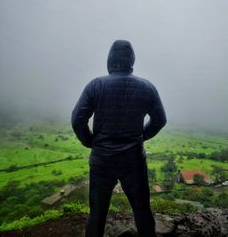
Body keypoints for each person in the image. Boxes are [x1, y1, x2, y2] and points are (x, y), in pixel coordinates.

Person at [71, 40, 167, 237]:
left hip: (101, 160)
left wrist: (90, 141)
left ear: (110, 60)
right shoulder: (147, 87)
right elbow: (160, 120)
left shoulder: (95, 85)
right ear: (131, 61)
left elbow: (77, 120)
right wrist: (140, 137)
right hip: (133, 161)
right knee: (141, 209)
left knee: (97, 213)